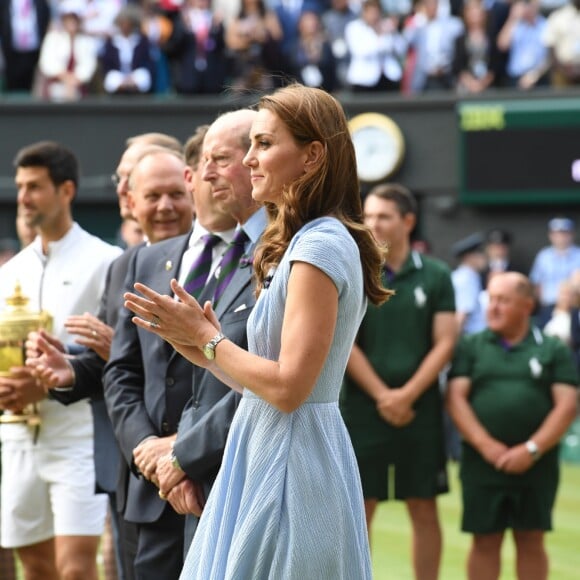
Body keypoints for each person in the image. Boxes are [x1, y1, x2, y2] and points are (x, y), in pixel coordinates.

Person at [122, 83, 389, 579]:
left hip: (291, 462)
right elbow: (265, 384)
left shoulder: (319, 246)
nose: (249, 160)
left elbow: (289, 389)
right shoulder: (308, 241)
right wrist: (198, 347)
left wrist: (208, 339)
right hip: (273, 449)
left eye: (264, 144)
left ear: (312, 156)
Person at [103, 143, 236, 579]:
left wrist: (184, 453)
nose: (165, 206)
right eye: (152, 195)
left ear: (189, 184)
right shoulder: (141, 261)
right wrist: (146, 449)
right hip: (150, 488)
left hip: (219, 480)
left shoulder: (256, 256)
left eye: (174, 194)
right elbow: (121, 371)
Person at [0, 141, 122, 580]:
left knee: (75, 569)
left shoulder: (107, 262)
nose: (24, 197)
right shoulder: (9, 272)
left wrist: (48, 384)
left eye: (34, 187)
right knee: (32, 565)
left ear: (66, 190)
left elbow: (119, 354)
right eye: (20, 187)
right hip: (17, 439)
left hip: (79, 438)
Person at [154, 110, 267, 550]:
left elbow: (270, 380)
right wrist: (186, 459)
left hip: (252, 476)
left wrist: (184, 455)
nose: (205, 173)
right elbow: (205, 383)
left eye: (220, 158)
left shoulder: (284, 249)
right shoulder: (233, 251)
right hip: (205, 484)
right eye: (204, 161)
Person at [341, 183, 457, 580]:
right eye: (368, 215)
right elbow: (343, 342)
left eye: (384, 216)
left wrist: (405, 395)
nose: (373, 224)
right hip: (360, 406)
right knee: (361, 506)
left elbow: (445, 342)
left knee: (423, 506)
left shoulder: (438, 275)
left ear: (408, 221)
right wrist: (382, 395)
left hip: (419, 409)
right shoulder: (351, 270)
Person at [447, 272, 578, 580]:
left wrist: (531, 450)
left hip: (537, 464)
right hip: (481, 462)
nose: (493, 307)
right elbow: (455, 398)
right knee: (484, 540)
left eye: (503, 301)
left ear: (527, 305)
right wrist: (487, 446)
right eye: (490, 299)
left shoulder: (552, 349)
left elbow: (567, 405)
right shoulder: (471, 345)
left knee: (531, 539)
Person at [529, 216, 580, 329]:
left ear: (572, 234)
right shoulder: (543, 256)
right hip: (548, 307)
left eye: (565, 233)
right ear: (550, 236)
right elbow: (536, 284)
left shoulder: (579, 255)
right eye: (557, 234)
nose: (561, 237)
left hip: (574, 308)